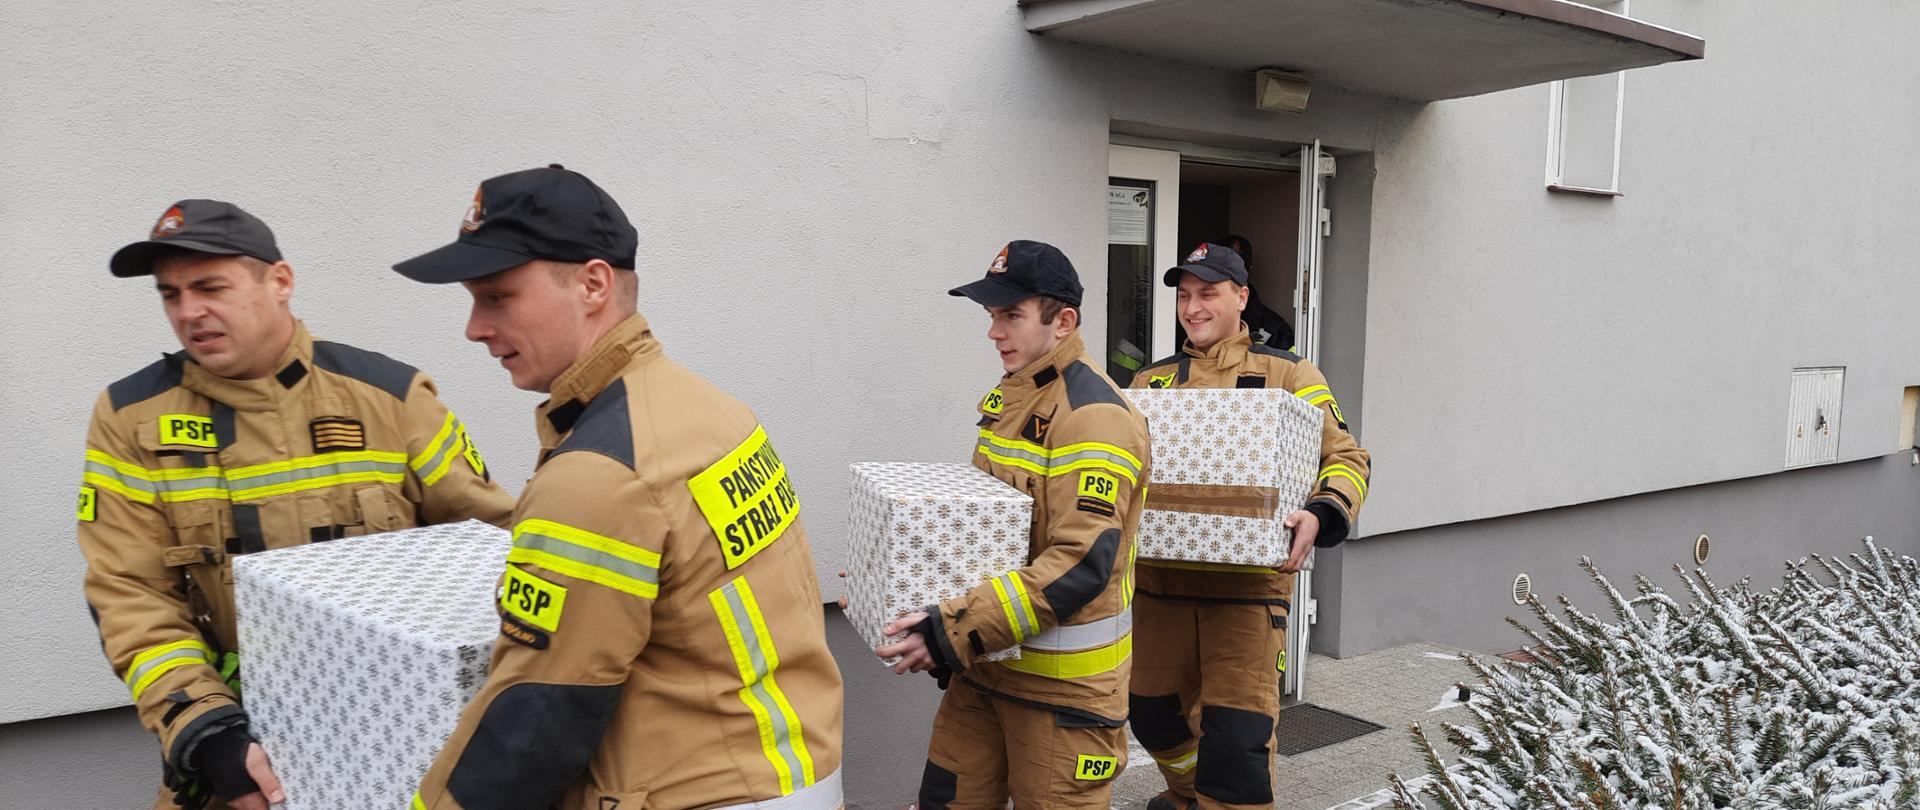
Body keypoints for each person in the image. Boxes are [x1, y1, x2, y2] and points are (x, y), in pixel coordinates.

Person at [393, 165, 844, 809]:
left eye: (497, 297)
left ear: (593, 284)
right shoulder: (709, 411)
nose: (475, 327)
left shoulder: (601, 470)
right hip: (790, 770)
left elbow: (537, 720)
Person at [78, 199, 515, 810]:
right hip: (236, 755)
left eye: (210, 287)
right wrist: (205, 731)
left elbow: (493, 549)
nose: (188, 312)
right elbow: (130, 594)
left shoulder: (390, 398)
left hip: (398, 741)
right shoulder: (131, 419)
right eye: (170, 294)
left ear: (279, 281)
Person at [877, 240, 1151, 809]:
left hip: (1062, 695)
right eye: (991, 315)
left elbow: (1080, 565)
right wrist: (897, 576)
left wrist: (951, 631)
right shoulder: (1012, 399)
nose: (993, 332)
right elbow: (985, 530)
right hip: (985, 671)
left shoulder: (1095, 418)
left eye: (1010, 315)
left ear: (1063, 322)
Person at [1126, 243, 1371, 810]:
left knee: (1236, 739)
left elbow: (1347, 458)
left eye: (1207, 294)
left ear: (1241, 297)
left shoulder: (1288, 373)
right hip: (1159, 586)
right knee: (1152, 715)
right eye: (1184, 296)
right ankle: (1188, 795)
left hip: (1248, 592)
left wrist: (1322, 512)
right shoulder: (1149, 382)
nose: (1192, 308)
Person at [1215, 234, 1294, 351]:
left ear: (1249, 269)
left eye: (1238, 270)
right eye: (1222, 270)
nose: (1231, 276)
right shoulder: (1195, 318)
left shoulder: (1273, 328)